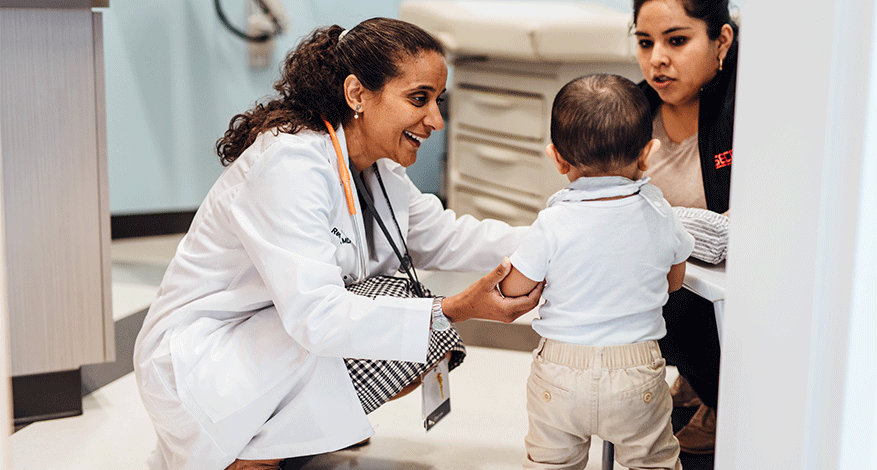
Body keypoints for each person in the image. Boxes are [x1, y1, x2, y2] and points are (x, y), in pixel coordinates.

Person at [132, 18, 543, 470]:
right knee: (400, 310)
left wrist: (553, 240)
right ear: (357, 95)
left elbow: (450, 237)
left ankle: (292, 437)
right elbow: (318, 317)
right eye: (418, 99)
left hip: (265, 343)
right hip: (203, 361)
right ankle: (247, 454)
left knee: (414, 324)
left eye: (438, 101)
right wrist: (457, 307)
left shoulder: (378, 169)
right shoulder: (290, 165)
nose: (436, 121)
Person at [499, 73, 695, 470]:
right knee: (653, 463)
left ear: (556, 157)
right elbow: (674, 281)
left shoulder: (552, 223)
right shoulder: (661, 214)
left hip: (561, 369)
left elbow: (514, 288)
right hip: (636, 368)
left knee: (550, 464)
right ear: (648, 153)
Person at [633, 0, 738, 455]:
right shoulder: (633, 109)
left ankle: (723, 400)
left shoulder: (747, 110)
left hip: (735, 290)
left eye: (677, 40)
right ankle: (697, 379)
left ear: (722, 42)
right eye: (644, 42)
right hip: (674, 281)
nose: (657, 58)